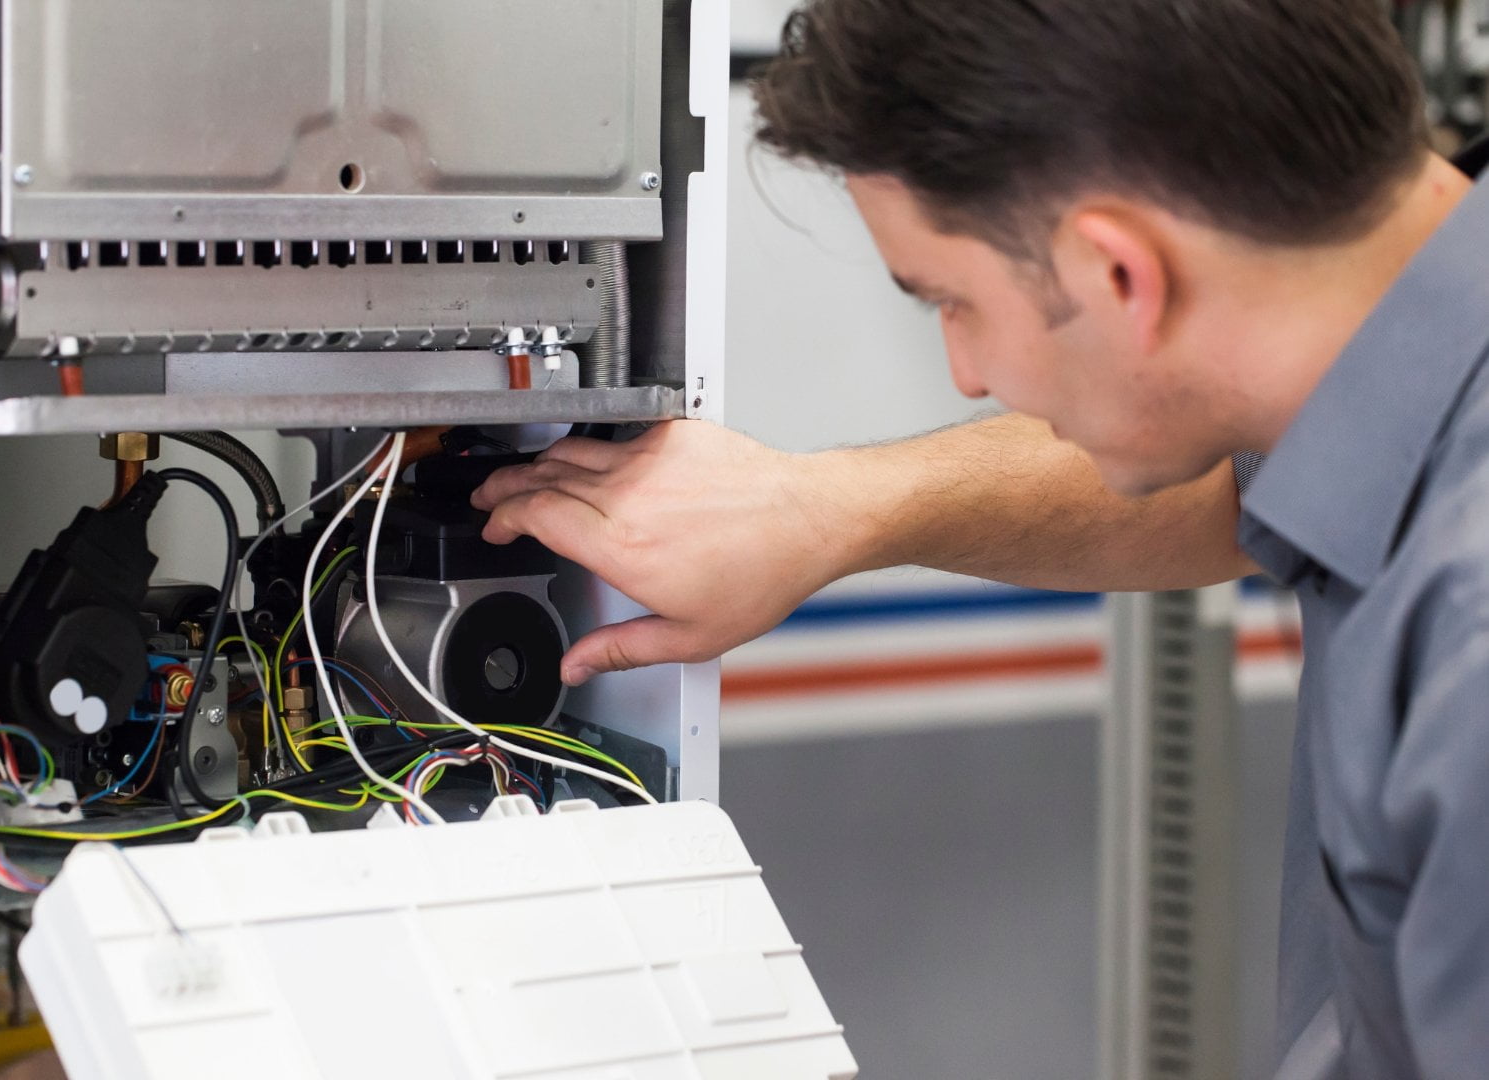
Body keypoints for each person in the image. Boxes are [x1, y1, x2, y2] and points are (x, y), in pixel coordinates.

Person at [473, 1, 1489, 1075]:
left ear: (1119, 277)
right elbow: (1239, 465)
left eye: (949, 303)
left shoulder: (1466, 656)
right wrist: (829, 512)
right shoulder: (1387, 330)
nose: (968, 375)